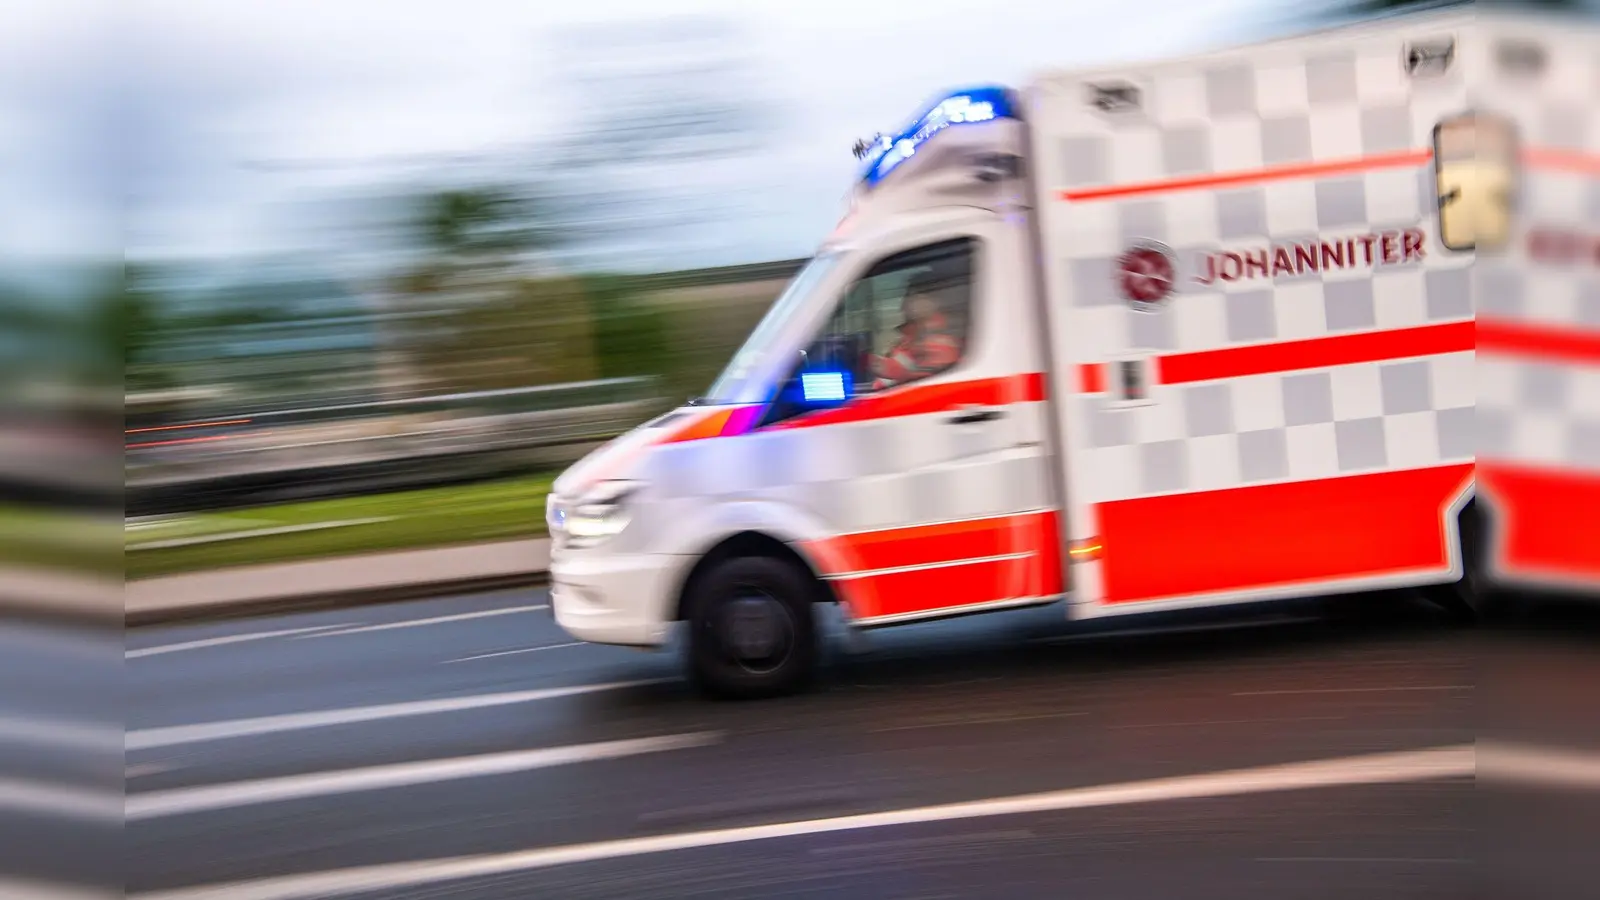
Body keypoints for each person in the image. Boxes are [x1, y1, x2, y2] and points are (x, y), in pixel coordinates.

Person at [869, 274, 963, 391]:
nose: (905, 304)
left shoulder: (941, 339)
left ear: (932, 300)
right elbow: (902, 364)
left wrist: (872, 363)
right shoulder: (915, 334)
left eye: (914, 296)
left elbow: (929, 378)